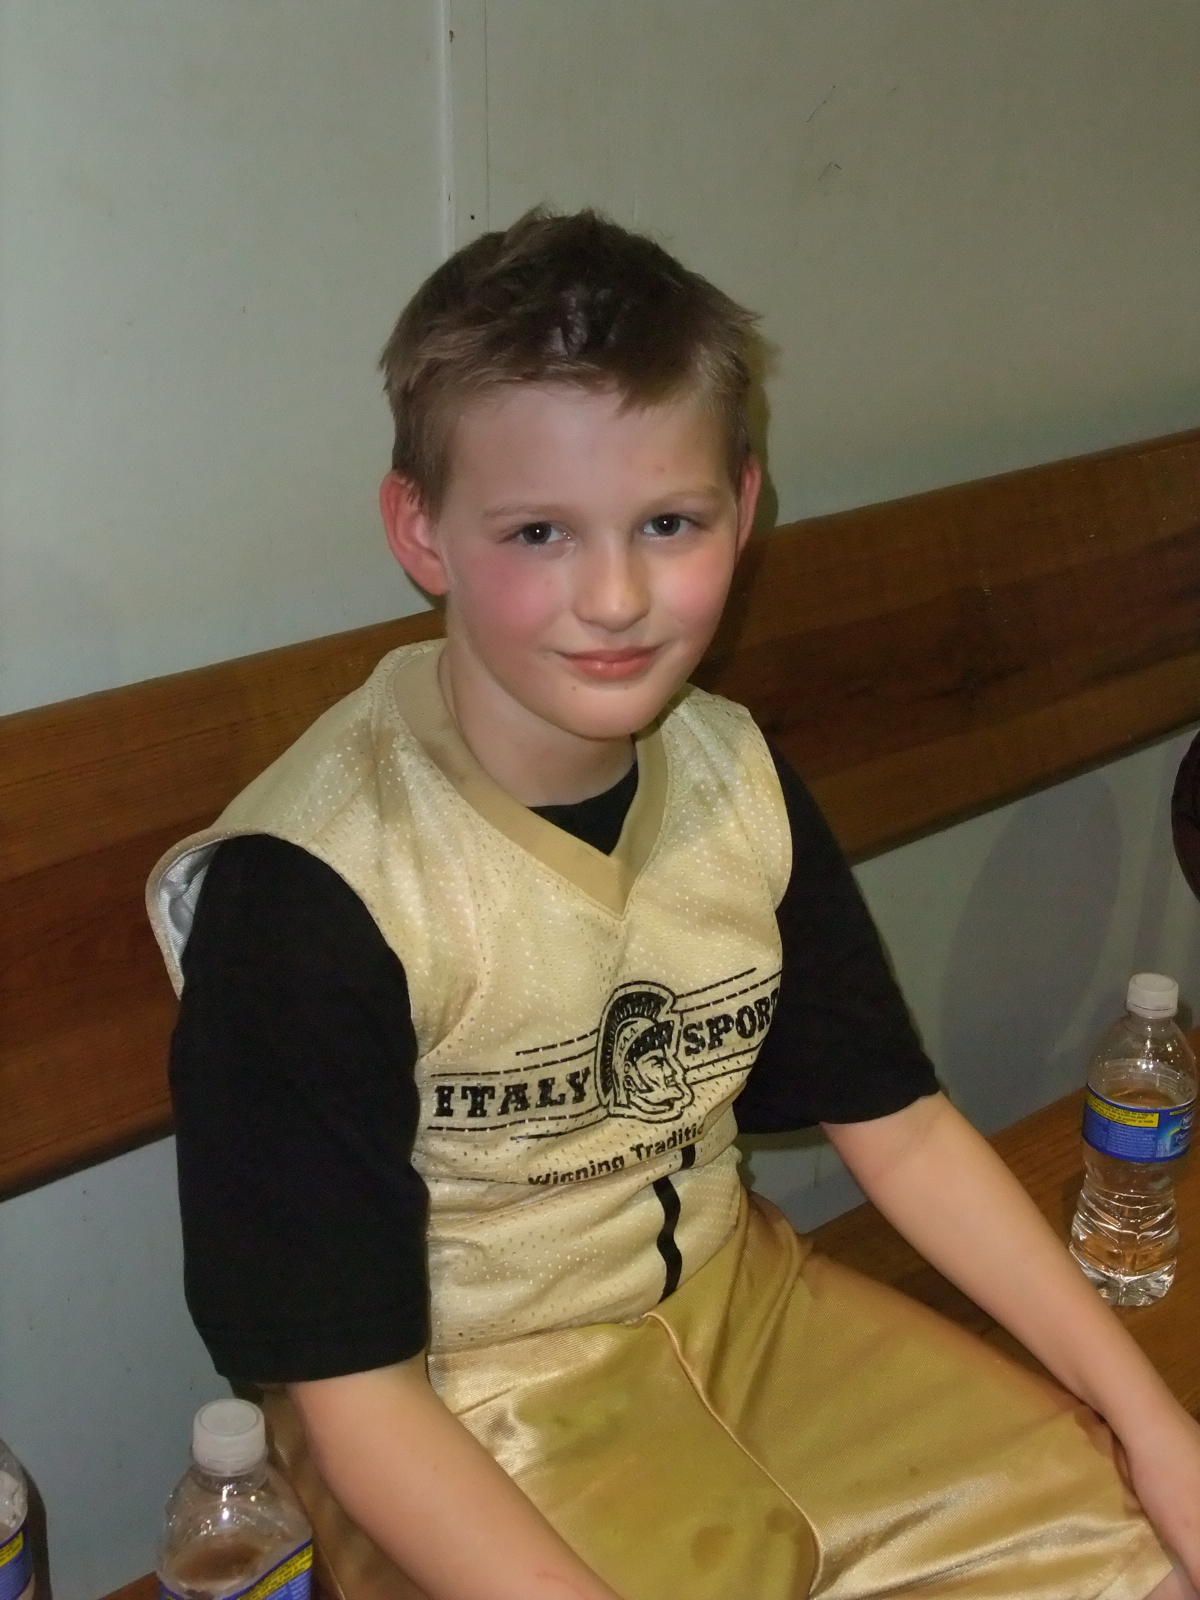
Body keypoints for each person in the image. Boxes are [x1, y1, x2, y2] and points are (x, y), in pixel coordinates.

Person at [147, 210, 1200, 1600]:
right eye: (540, 531)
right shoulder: (313, 887)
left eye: (669, 523)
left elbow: (904, 1131)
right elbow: (352, 1397)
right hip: (455, 1418)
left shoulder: (732, 775)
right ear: (422, 531)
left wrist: (1156, 1428)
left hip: (749, 1316)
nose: (617, 596)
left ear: (744, 510)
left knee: (1133, 1563)